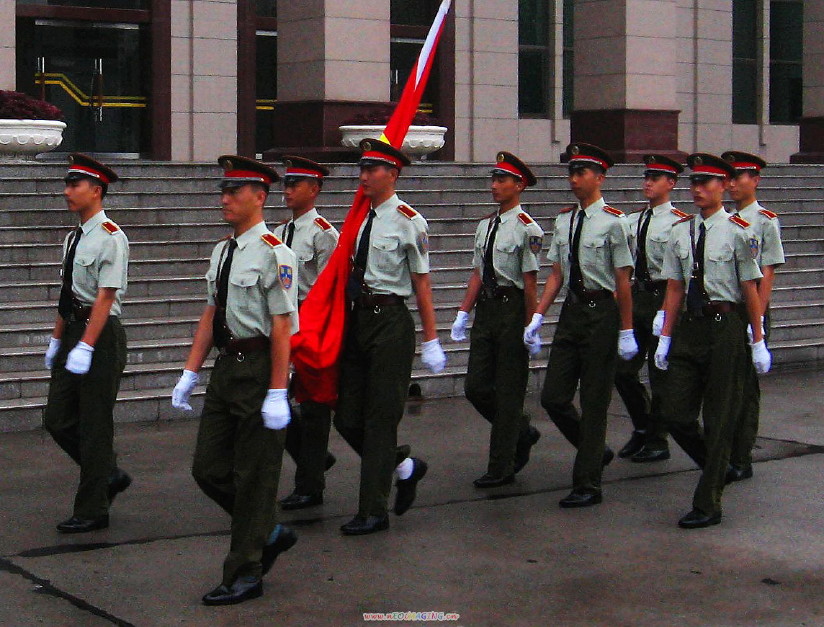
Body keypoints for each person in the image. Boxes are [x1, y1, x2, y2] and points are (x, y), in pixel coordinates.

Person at [171, 155, 299, 605]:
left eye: (234, 192)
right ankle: (267, 531)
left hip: (261, 368)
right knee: (207, 468)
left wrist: (279, 391)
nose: (224, 199)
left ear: (259, 198)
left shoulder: (275, 254)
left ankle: (245, 571)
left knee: (255, 476)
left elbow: (283, 326)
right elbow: (211, 313)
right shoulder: (223, 251)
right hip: (228, 368)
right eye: (223, 191)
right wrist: (190, 371)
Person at [333, 138, 446, 535]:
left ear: (392, 174)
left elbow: (422, 282)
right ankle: (404, 466)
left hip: (390, 323)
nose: (362, 176)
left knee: (380, 421)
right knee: (346, 417)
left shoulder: (408, 220)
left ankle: (373, 511)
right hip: (357, 321)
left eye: (371, 170)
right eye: (361, 169)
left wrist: (432, 338)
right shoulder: (359, 217)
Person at [654, 153, 771, 529]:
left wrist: (757, 339)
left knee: (719, 418)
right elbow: (674, 285)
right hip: (690, 327)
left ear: (723, 186)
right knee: (674, 413)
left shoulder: (739, 230)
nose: (699, 189)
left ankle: (708, 504)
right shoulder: (680, 231)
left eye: (707, 183)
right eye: (695, 183)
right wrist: (665, 336)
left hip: (725, 327)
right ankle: (716, 466)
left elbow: (750, 289)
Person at [524, 143, 637, 508]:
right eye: (571, 173)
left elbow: (623, 280)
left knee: (593, 401)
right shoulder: (564, 219)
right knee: (553, 396)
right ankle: (594, 449)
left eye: (582, 173)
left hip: (602, 313)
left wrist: (626, 329)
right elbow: (557, 272)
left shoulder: (615, 222)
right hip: (573, 314)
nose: (574, 179)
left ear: (600, 177)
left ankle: (588, 483)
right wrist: (539, 314)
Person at [43, 153, 131, 534]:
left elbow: (105, 297)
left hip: (100, 335)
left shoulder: (112, 237)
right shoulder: (73, 237)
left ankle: (93, 508)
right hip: (74, 330)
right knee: (57, 419)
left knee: (95, 425)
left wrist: (86, 346)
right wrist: (56, 339)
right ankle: (107, 473)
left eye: (74, 185)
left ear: (96, 191)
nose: (67, 191)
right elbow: (68, 295)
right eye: (67, 184)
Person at [450, 152, 544, 488]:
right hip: (487, 311)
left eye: (502, 180)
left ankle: (501, 467)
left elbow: (531, 282)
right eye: (493, 179)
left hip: (512, 308)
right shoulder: (485, 225)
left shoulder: (527, 229)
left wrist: (532, 324)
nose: (494, 186)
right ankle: (521, 431)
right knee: (475, 387)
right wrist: (463, 311)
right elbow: (478, 272)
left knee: (507, 393)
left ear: (519, 185)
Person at [273, 156, 340, 511]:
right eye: (285, 184)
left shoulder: (324, 234)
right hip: (285, 323)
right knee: (275, 401)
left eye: (294, 185)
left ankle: (310, 485)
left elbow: (331, 289)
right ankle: (313, 459)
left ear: (313, 190)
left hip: (313, 326)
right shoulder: (281, 233)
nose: (286, 191)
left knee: (314, 410)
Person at [614, 154, 689, 463]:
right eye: (646, 177)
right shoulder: (632, 220)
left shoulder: (679, 223)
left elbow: (682, 273)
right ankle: (643, 426)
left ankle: (658, 440)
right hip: (636, 296)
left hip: (662, 298)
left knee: (660, 375)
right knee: (622, 371)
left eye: (655, 178)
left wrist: (669, 311)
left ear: (670, 183)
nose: (648, 182)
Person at [722, 151, 785, 483]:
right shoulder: (726, 219)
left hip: (752, 309)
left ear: (755, 180)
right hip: (728, 308)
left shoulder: (765, 220)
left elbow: (767, 273)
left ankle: (741, 456)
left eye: (739, 177)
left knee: (745, 387)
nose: (732, 184)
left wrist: (757, 323)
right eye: (729, 178)